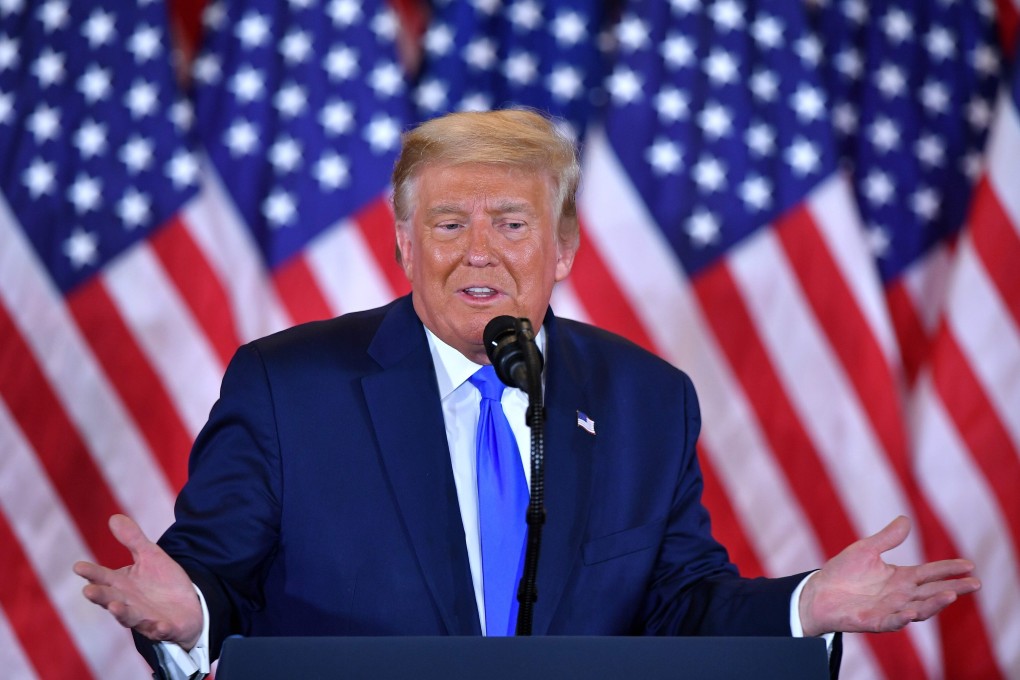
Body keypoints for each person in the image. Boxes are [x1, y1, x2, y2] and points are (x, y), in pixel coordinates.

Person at [74, 109, 979, 679]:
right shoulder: (287, 383)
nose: (479, 251)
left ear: (564, 250)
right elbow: (215, 576)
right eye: (447, 223)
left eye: (511, 224)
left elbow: (678, 604)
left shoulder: (644, 398)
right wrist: (187, 612)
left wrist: (805, 605)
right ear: (401, 243)